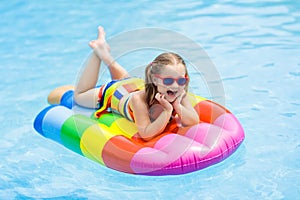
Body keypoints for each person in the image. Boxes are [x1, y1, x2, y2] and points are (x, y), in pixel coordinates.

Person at [74, 26, 199, 141]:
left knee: (125, 80)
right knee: (79, 96)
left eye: (182, 80)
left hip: (133, 84)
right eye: (168, 81)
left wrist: (177, 105)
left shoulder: (178, 93)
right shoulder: (139, 100)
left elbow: (194, 121)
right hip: (115, 94)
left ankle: (105, 54)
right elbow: (145, 133)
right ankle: (98, 52)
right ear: (155, 80)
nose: (176, 86)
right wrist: (167, 112)